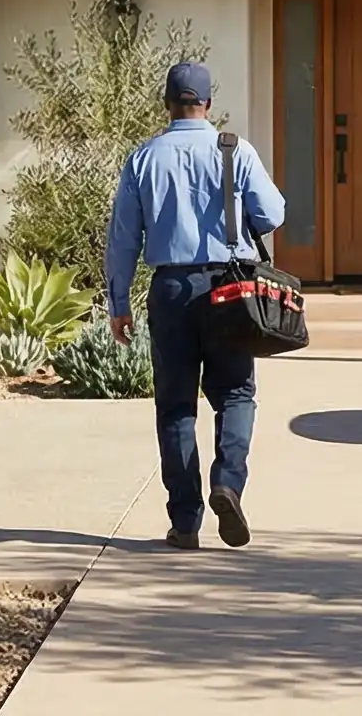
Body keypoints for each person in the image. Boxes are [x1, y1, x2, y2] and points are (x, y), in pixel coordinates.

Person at [104, 60, 284, 550]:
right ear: (208, 103)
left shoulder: (143, 158)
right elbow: (271, 214)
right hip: (229, 290)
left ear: (167, 104)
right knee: (235, 394)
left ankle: (185, 523)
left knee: (176, 406)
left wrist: (118, 302)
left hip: (170, 290)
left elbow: (123, 238)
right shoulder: (235, 150)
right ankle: (227, 482)